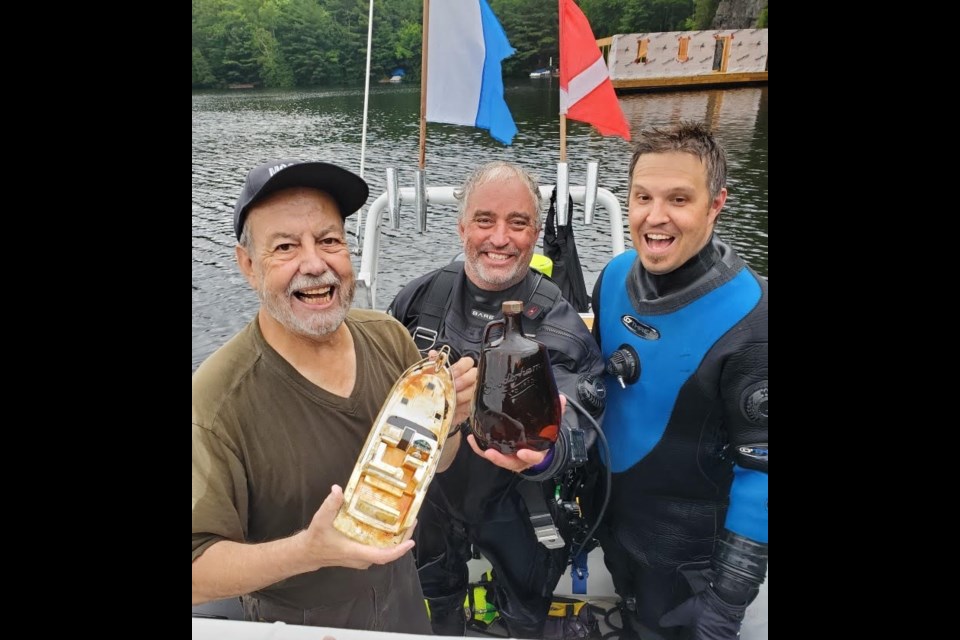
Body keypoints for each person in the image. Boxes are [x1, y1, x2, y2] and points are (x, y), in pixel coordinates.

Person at [191, 158, 479, 632]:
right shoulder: (217, 401)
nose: (315, 264)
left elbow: (437, 464)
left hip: (405, 599)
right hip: (298, 622)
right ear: (247, 265)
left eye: (329, 240)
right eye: (285, 247)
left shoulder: (388, 338)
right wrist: (306, 552)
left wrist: (449, 424)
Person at [388, 160, 608, 638]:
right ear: (462, 225)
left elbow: (582, 420)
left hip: (524, 503)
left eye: (519, 223)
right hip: (432, 498)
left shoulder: (559, 324)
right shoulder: (419, 301)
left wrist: (549, 453)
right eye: (485, 220)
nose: (500, 238)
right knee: (431, 605)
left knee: (525, 615)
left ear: (534, 232)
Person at [590, 121, 768, 640]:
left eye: (679, 199)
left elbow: (762, 475)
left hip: (689, 560)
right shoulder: (615, 276)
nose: (655, 216)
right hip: (614, 524)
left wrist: (727, 604)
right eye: (642, 196)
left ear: (717, 204)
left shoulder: (751, 317)